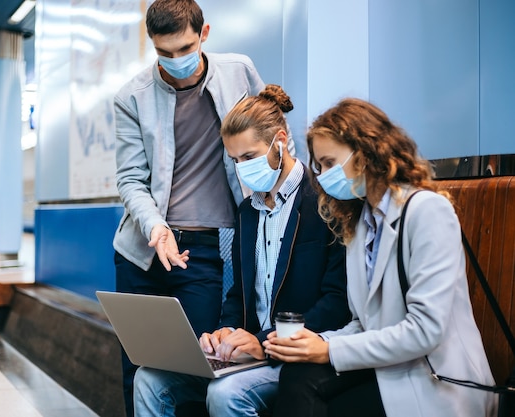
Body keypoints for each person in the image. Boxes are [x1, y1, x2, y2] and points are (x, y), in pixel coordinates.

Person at [263, 98, 498, 417]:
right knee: (298, 375)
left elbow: (424, 330)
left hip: (437, 380)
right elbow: (364, 322)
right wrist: (313, 342)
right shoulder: (361, 222)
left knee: (321, 396)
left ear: (364, 154)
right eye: (319, 166)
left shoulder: (427, 211)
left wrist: (329, 349)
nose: (322, 176)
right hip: (392, 368)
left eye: (330, 163)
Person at [112, 1, 291, 415]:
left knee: (197, 365)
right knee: (137, 367)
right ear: (151, 44)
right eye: (164, 52)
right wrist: (156, 230)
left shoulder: (238, 71)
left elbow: (270, 135)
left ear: (204, 33)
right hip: (142, 249)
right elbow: (131, 180)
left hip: (202, 249)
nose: (176, 61)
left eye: (185, 48)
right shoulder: (131, 97)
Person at [133, 85, 350, 417]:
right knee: (149, 379)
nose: (242, 168)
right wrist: (226, 332)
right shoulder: (247, 213)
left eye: (249, 157)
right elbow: (237, 296)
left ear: (280, 140)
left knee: (225, 394)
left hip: (295, 353)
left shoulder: (325, 204)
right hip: (250, 354)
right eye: (234, 160)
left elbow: (336, 304)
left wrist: (263, 342)